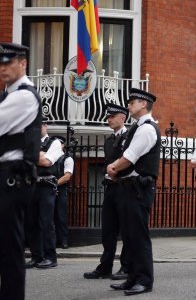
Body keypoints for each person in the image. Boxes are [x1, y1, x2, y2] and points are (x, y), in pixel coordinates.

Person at [0, 42, 41, 300]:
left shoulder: (24, 96)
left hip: (11, 180)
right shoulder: (6, 95)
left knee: (9, 251)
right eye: (0, 63)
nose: (3, 68)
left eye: (9, 62)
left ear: (23, 63)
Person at [107, 88, 161, 295]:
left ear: (144, 104)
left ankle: (145, 280)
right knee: (129, 237)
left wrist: (113, 169)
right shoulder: (136, 128)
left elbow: (129, 157)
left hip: (139, 188)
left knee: (138, 236)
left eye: (132, 102)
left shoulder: (147, 129)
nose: (128, 105)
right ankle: (132, 277)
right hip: (128, 187)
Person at [83, 103, 130, 280]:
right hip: (110, 188)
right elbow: (107, 162)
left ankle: (126, 267)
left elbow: (128, 160)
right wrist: (106, 172)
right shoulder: (109, 140)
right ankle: (105, 266)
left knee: (126, 230)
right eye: (108, 117)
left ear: (123, 118)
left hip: (124, 187)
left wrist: (117, 173)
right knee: (108, 231)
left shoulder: (129, 137)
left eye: (112, 116)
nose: (108, 119)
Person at [26, 120, 64, 269]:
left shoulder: (54, 143)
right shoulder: (29, 143)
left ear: (45, 126)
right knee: (31, 223)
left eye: (39, 125)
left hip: (46, 186)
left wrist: (31, 156)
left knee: (46, 222)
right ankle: (36, 256)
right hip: (31, 185)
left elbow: (47, 162)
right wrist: (39, 156)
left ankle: (50, 257)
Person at [53, 137, 74, 249]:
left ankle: (64, 240)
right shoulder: (49, 158)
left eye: (59, 143)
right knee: (49, 216)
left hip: (60, 190)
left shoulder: (67, 159)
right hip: (50, 189)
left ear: (63, 145)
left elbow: (66, 177)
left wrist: (53, 185)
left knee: (61, 216)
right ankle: (53, 240)